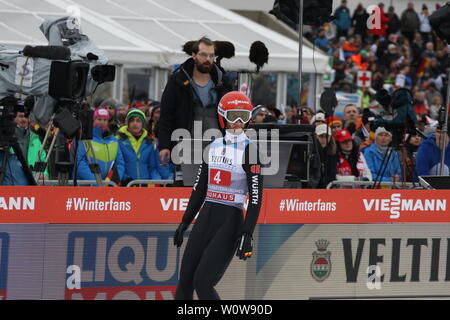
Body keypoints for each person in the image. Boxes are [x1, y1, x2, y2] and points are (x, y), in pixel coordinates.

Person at [173, 91, 263, 300]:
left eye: (243, 116)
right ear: (223, 118)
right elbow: (199, 188)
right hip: (206, 216)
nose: (238, 122)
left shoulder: (251, 150)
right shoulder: (212, 146)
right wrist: (185, 221)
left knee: (202, 282)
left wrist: (247, 233)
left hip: (230, 222)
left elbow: (256, 197)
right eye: (233, 116)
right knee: (185, 280)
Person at [158, 37, 230, 165]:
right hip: (184, 148)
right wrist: (164, 145)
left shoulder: (223, 82)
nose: (208, 59)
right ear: (194, 55)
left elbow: (231, 117)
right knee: (183, 184)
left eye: (211, 55)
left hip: (217, 150)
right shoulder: (177, 81)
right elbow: (166, 116)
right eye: (203, 54)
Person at [116, 109, 173, 185]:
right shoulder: (119, 141)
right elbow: (119, 165)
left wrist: (157, 181)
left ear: (142, 124)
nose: (135, 123)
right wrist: (126, 179)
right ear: (127, 123)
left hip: (144, 185)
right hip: (127, 185)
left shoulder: (149, 143)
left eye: (138, 121)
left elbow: (152, 168)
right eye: (132, 120)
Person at [0, 107, 48, 185]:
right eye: (21, 116)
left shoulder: (35, 139)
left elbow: (43, 159)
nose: (24, 119)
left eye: (26, 116)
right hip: (12, 182)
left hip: (33, 181)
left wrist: (44, 174)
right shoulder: (7, 138)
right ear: (14, 118)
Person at [75, 108, 125, 184]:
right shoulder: (85, 139)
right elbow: (80, 162)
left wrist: (113, 181)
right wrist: (95, 181)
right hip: (89, 187)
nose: (102, 122)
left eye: (105, 120)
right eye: (99, 119)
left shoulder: (114, 141)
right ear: (93, 121)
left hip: (109, 187)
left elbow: (120, 164)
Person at [315, 124, 337, 188]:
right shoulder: (310, 152)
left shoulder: (333, 152)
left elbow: (332, 174)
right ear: (316, 136)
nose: (324, 139)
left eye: (326, 136)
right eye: (321, 136)